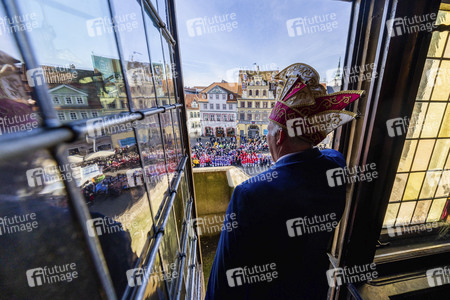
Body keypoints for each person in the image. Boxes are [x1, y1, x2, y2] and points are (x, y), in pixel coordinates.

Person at [205, 63, 364, 299]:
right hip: (314, 290)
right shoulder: (336, 165)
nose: (266, 138)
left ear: (279, 136)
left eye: (268, 131)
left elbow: (224, 273)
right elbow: (329, 154)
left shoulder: (248, 194)